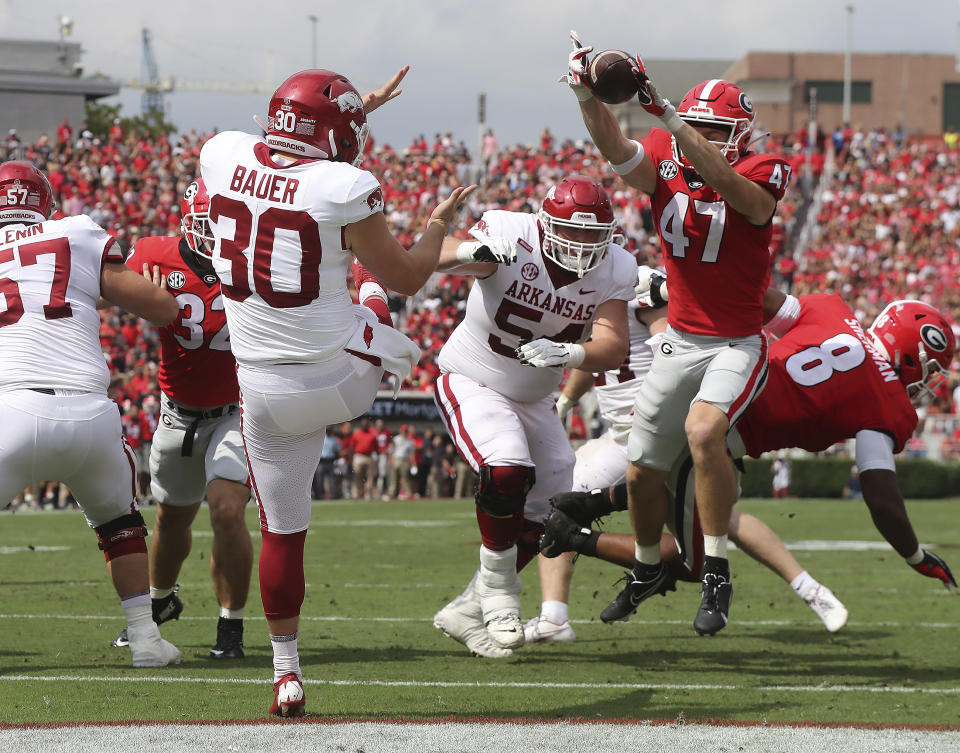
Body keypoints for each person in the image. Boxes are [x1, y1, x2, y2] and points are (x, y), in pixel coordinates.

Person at [199, 66, 476, 717]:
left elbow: (287, 164)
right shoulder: (346, 185)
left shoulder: (221, 153)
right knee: (378, 298)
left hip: (262, 392)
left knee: (283, 533)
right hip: (342, 378)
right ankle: (373, 314)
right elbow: (410, 272)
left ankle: (286, 673)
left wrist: (349, 114)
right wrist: (437, 224)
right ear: (335, 135)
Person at [538, 293, 957, 630]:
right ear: (914, 354)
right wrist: (914, 555)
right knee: (691, 562)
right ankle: (573, 537)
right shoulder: (890, 407)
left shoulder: (832, 308)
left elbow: (754, 300)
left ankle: (592, 505)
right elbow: (880, 496)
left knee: (670, 488)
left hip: (699, 385)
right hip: (712, 438)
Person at [565, 32, 793, 635]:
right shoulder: (670, 153)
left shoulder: (764, 168)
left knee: (703, 429)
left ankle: (715, 568)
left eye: (711, 129)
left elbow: (738, 194)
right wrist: (587, 96)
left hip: (735, 341)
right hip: (679, 338)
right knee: (640, 471)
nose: (701, 137)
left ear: (738, 136)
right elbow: (617, 150)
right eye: (695, 126)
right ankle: (645, 567)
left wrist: (668, 114)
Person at [526, 287, 846, 643]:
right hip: (630, 433)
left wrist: (658, 395)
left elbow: (666, 338)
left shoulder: (637, 284)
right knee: (564, 502)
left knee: (707, 521)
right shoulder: (588, 294)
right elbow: (595, 355)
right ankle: (561, 608)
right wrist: (566, 402)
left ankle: (807, 587)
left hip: (657, 426)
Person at [431, 174, 635, 658]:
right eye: (573, 231)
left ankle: (467, 606)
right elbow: (429, 261)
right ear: (544, 224)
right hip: (473, 378)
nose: (583, 244)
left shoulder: (615, 267)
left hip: (536, 398)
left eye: (593, 235)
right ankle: (501, 594)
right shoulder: (510, 233)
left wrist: (569, 352)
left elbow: (613, 346)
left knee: (553, 515)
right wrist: (470, 253)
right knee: (505, 470)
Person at [0, 160, 181, 667]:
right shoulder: (71, 234)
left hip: (10, 406)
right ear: (44, 203)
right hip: (90, 412)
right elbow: (160, 307)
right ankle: (145, 639)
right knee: (120, 522)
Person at [109, 178, 254, 661]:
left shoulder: (258, 263)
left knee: (227, 508)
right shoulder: (154, 253)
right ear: (189, 223)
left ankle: (230, 628)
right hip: (177, 410)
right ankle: (157, 603)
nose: (221, 235)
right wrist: (140, 293)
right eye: (213, 225)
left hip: (237, 410)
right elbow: (106, 290)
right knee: (171, 520)